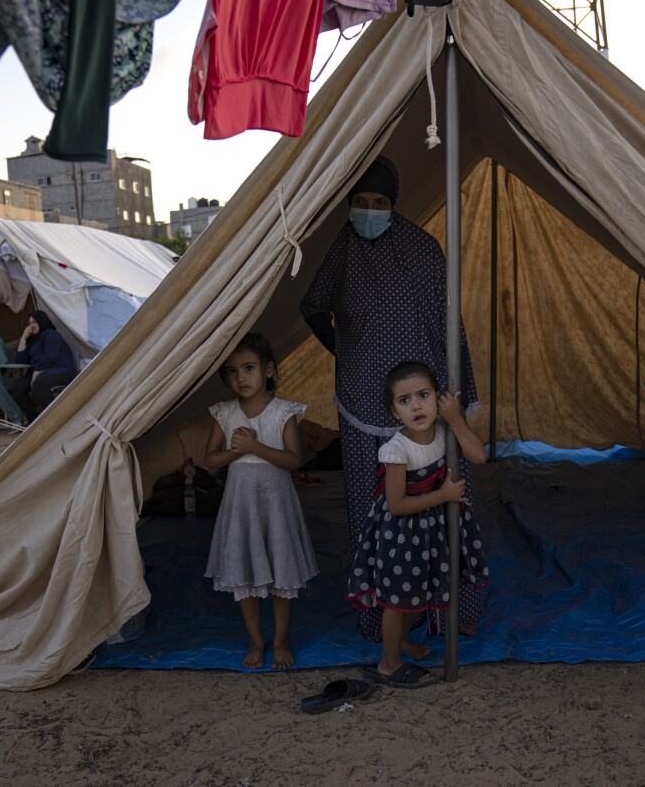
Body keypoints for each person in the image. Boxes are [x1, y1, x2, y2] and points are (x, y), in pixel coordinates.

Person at [299, 155, 482, 643]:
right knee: (373, 511)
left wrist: (455, 398)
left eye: (379, 203)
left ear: (393, 205)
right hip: (362, 401)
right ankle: (386, 617)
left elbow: (449, 325)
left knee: (445, 508)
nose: (369, 211)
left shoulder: (422, 249)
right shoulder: (342, 248)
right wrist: (345, 350)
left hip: (424, 403)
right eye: (360, 203)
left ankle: (451, 610)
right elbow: (313, 306)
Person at [348, 361, 489, 688]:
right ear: (395, 411)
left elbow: (479, 456)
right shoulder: (397, 449)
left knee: (418, 592)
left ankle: (400, 644)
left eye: (423, 395)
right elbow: (396, 505)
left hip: (431, 529)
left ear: (437, 398)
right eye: (405, 400)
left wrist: (456, 420)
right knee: (397, 601)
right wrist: (443, 495)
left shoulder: (443, 427)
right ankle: (388, 663)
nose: (416, 406)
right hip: (403, 534)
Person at [203, 332, 318, 669]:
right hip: (241, 505)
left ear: (268, 370)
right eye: (232, 371)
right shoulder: (223, 413)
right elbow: (210, 460)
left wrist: (255, 448)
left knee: (281, 571)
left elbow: (294, 460)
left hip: (276, 505)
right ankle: (255, 640)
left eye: (249, 368)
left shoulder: (284, 412)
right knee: (245, 572)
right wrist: (234, 452)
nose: (240, 378)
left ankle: (280, 638)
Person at [9, 311, 78, 418]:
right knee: (16, 387)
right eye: (30, 323)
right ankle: (34, 421)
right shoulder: (32, 340)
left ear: (42, 321)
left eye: (34, 322)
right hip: (41, 372)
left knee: (39, 384)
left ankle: (57, 418)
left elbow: (50, 356)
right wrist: (23, 339)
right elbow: (21, 361)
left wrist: (36, 373)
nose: (31, 325)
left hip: (60, 370)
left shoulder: (51, 335)